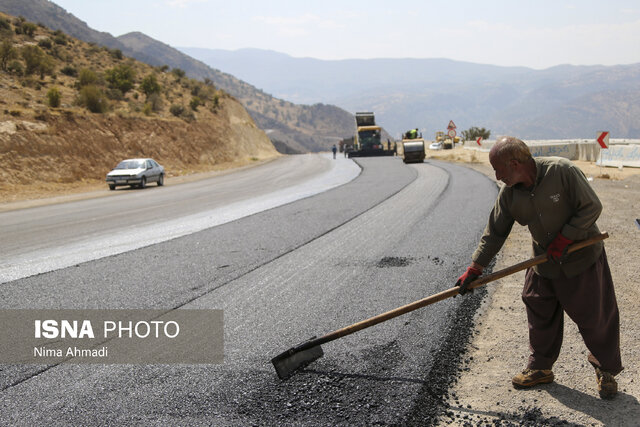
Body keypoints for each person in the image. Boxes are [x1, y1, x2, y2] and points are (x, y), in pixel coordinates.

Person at [455, 136, 622, 399]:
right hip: (545, 261)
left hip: (581, 259)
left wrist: (566, 237)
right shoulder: (509, 194)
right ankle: (541, 367)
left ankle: (606, 370)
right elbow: (495, 232)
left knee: (595, 316)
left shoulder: (562, 171)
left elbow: (592, 206)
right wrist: (476, 267)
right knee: (538, 307)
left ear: (514, 163)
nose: (497, 176)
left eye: (498, 169)